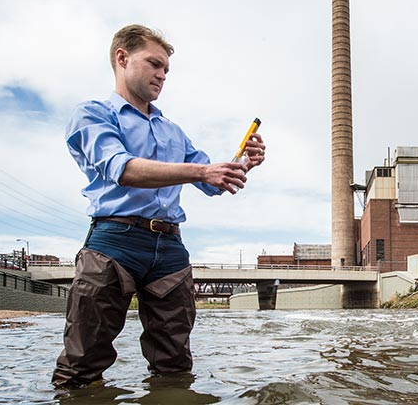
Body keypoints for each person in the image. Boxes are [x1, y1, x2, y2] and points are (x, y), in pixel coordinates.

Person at [52, 24, 265, 387]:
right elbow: (123, 169)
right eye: (154, 64)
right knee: (82, 363)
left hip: (170, 251)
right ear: (122, 58)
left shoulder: (172, 130)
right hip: (113, 244)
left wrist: (243, 162)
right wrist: (203, 170)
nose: (162, 75)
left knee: (175, 364)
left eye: (166, 69)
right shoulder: (93, 114)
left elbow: (214, 183)